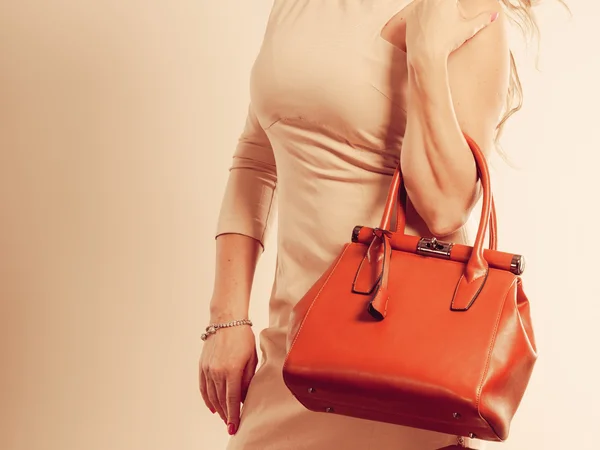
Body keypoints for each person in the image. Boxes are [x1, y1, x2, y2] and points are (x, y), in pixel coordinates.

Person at [199, 0, 547, 448]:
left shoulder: (464, 10)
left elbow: (444, 209)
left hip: (403, 366)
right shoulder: (294, 7)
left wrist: (425, 54)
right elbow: (255, 158)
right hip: (294, 354)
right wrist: (227, 319)